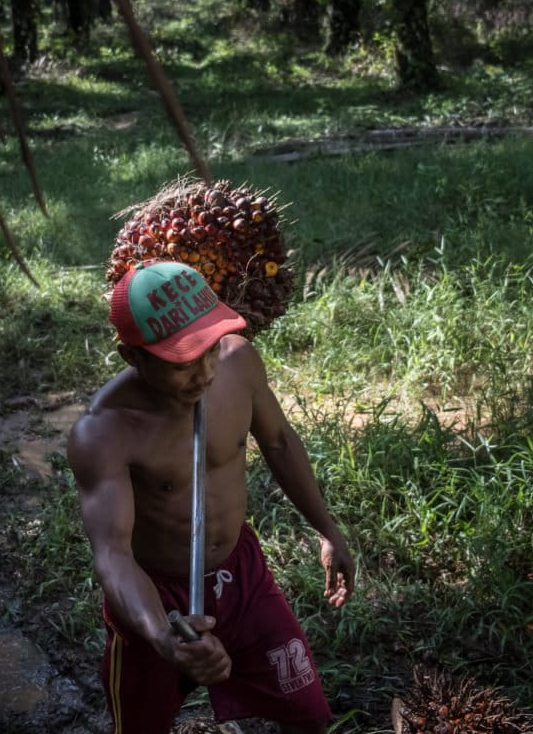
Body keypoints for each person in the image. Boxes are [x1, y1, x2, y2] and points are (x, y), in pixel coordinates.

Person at [67, 259, 356, 734]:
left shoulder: (237, 362)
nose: (203, 371)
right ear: (131, 357)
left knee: (308, 715)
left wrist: (327, 529)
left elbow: (279, 442)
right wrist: (163, 635)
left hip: (242, 579)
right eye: (181, 360)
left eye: (208, 347)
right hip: (158, 598)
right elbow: (114, 557)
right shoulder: (104, 433)